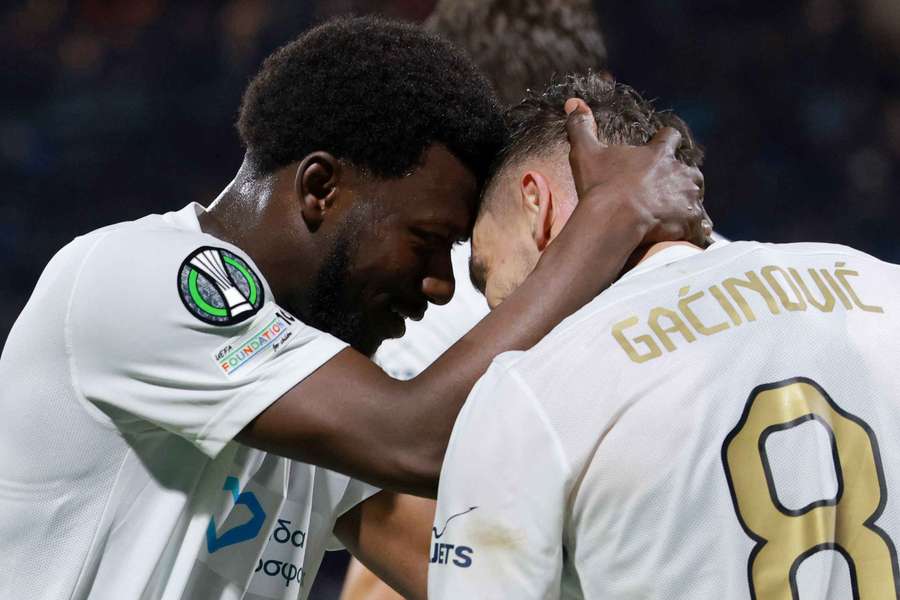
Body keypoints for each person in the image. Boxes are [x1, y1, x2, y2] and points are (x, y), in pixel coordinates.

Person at [0, 16, 706, 600]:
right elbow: (415, 438)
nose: (439, 286)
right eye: (428, 243)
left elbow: (476, 582)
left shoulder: (315, 379)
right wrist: (607, 220)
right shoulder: (145, 275)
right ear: (320, 189)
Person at [430, 72, 900, 598]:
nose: (490, 304)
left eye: (483, 272)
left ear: (536, 204)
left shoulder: (526, 391)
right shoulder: (883, 287)